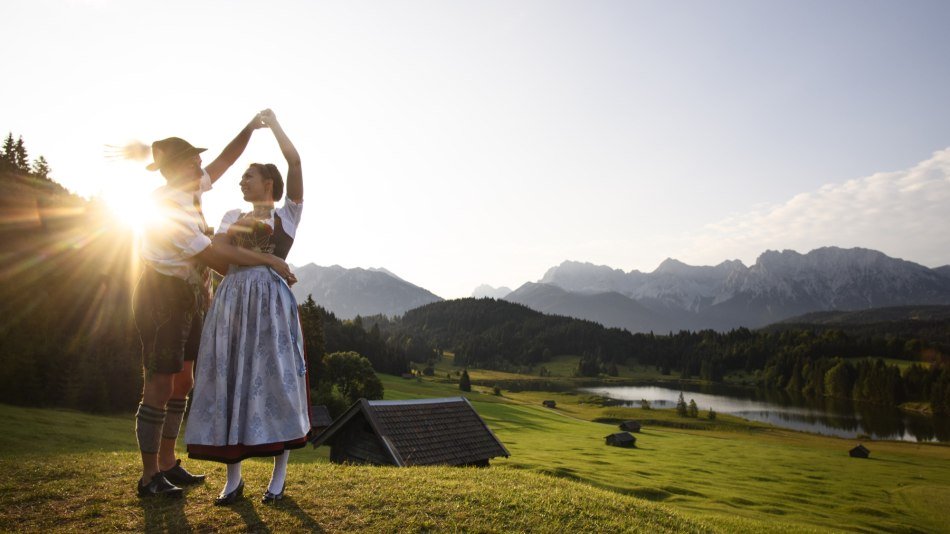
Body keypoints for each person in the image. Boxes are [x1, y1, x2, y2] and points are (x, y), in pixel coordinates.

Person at [134, 113, 295, 498]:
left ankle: (170, 462)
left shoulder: (190, 189)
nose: (201, 165)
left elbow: (224, 160)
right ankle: (149, 475)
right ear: (178, 168)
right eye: (193, 160)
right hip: (163, 296)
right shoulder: (169, 208)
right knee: (159, 382)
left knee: (184, 380)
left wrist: (251, 127)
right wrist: (270, 263)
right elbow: (217, 260)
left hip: (188, 296)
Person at [186, 109, 310, 505]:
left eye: (249, 176)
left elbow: (295, 161)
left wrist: (272, 126)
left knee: (276, 380)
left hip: (271, 304)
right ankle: (233, 478)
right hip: (233, 301)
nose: (241, 180)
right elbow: (219, 250)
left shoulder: (287, 214)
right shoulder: (231, 216)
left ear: (268, 183)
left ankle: (279, 475)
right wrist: (271, 261)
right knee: (231, 377)